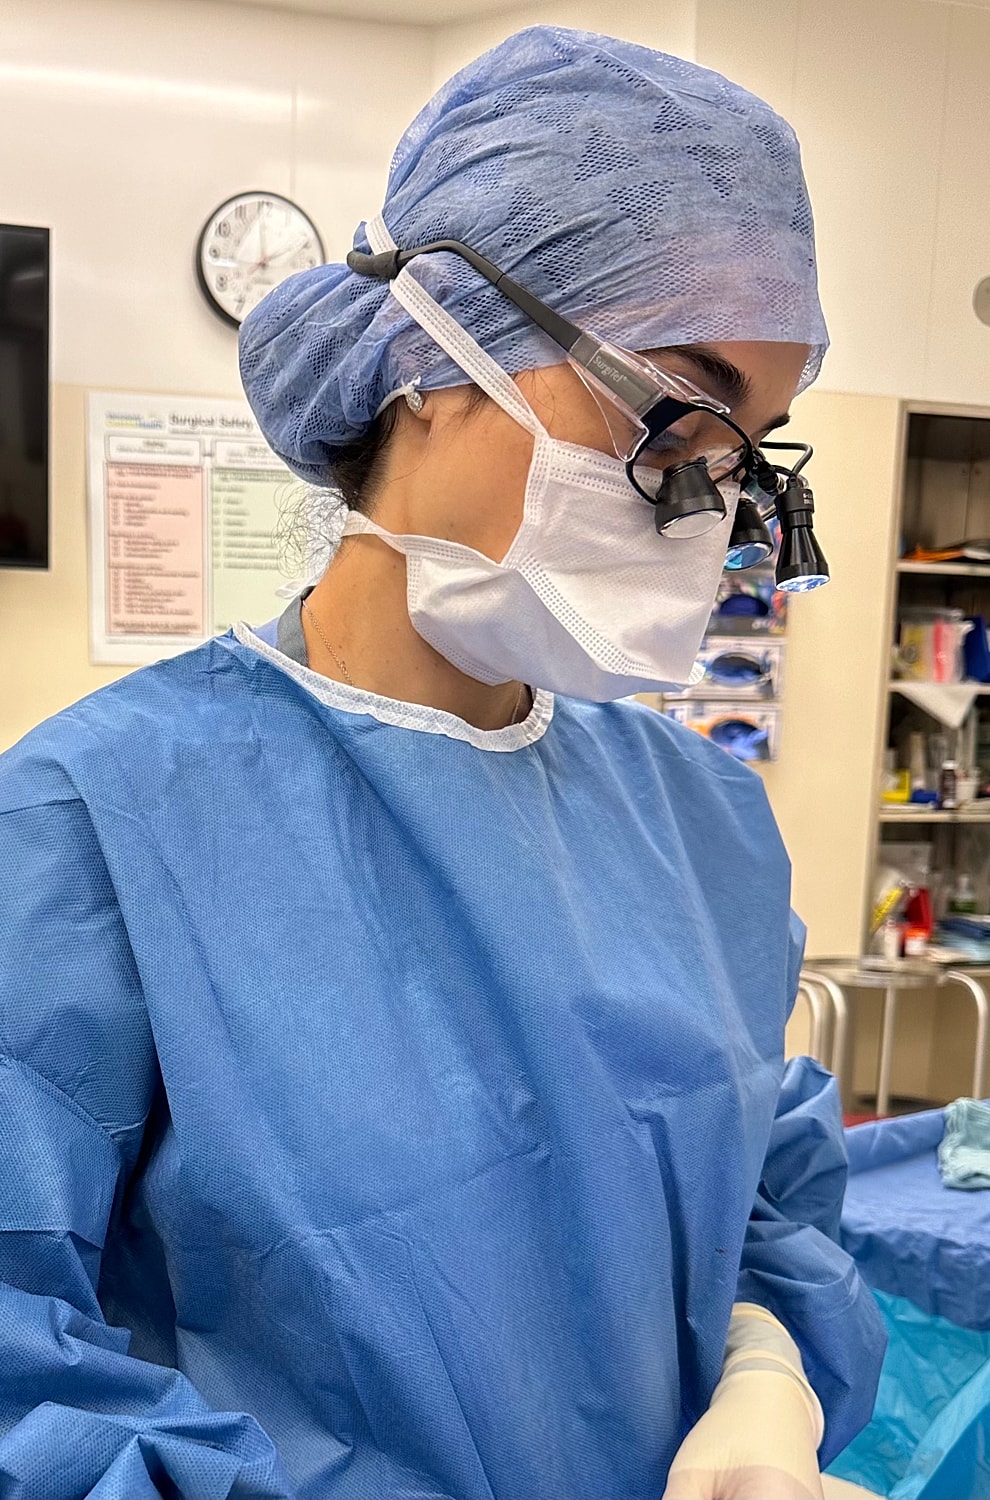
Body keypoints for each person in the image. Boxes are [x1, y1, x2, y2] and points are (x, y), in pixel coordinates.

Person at [0, 26, 884, 1500]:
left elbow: (760, 1199)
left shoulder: (697, 819)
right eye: (678, 413)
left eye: (748, 460)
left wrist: (765, 1375)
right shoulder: (94, 825)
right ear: (435, 360)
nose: (701, 507)